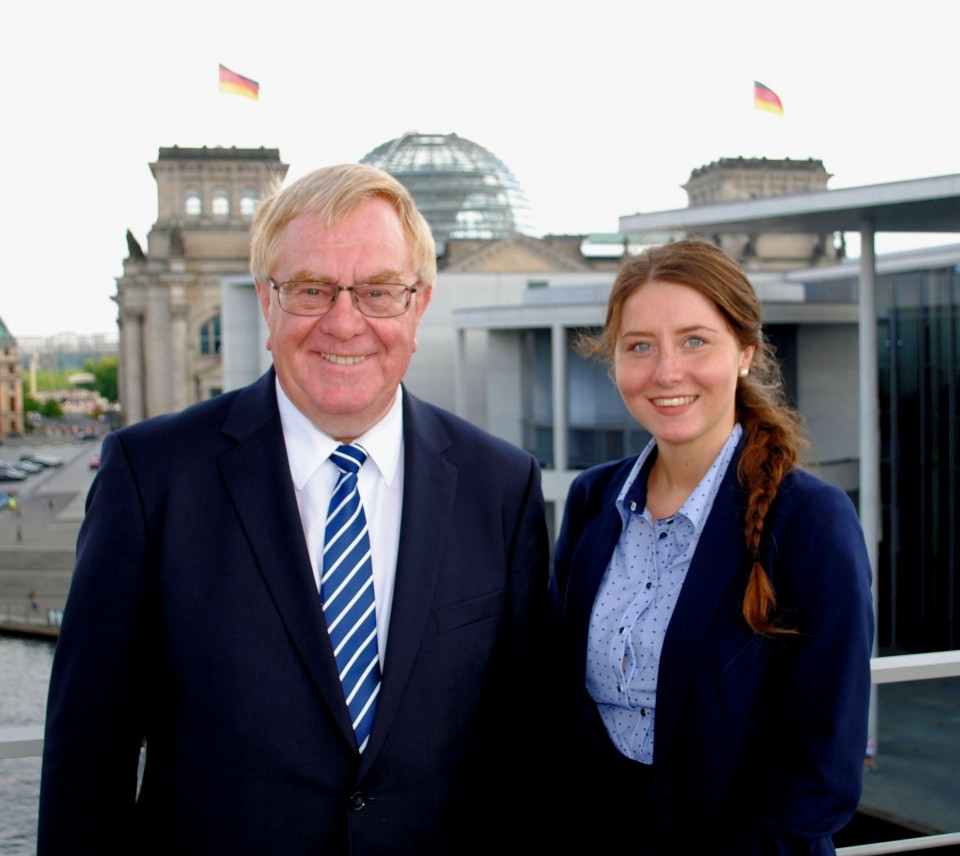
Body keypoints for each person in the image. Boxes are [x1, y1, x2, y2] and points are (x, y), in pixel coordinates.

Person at [38, 163, 550, 855]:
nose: (345, 323)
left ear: (418, 306)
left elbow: (524, 753)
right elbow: (87, 763)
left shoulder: (502, 484)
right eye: (311, 290)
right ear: (266, 303)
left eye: (377, 291)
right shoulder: (151, 477)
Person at [549, 240, 874, 854]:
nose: (666, 371)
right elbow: (558, 704)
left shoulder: (810, 521)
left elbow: (823, 767)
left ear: (745, 352)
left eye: (695, 340)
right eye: (639, 346)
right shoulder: (593, 499)